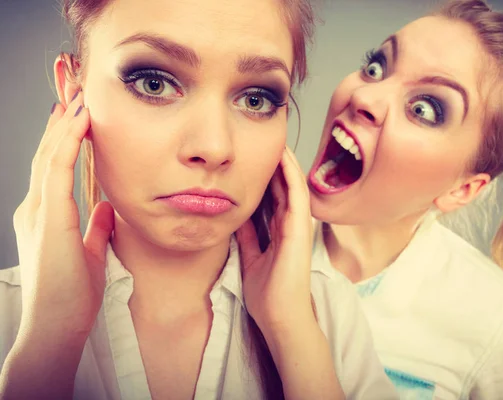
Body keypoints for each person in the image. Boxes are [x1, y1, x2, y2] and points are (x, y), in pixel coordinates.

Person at [0, 0, 398, 399]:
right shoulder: (9, 316)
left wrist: (291, 333)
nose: (214, 147)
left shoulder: (329, 314)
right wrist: (48, 342)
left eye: (256, 98)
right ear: (74, 92)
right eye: (153, 83)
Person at [307, 0, 503, 398]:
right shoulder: (239, 236)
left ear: (461, 190)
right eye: (376, 67)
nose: (365, 97)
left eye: (425, 109)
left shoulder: (500, 322)